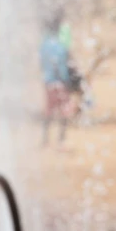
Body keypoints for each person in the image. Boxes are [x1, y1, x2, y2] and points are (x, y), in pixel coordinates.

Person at [40, 16, 73, 147]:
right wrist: (67, 82)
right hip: (59, 82)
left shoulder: (43, 46)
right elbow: (61, 67)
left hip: (48, 83)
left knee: (49, 111)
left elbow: (42, 64)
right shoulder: (60, 47)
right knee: (64, 111)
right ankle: (61, 140)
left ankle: (45, 139)